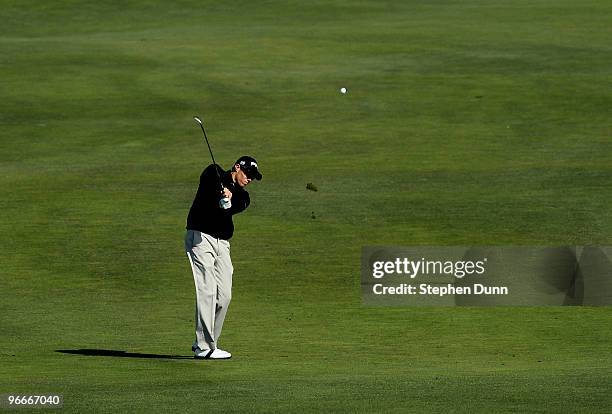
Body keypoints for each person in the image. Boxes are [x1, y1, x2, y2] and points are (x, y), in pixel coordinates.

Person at [185, 155, 262, 359]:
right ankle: (205, 347)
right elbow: (209, 178)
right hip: (200, 238)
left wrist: (229, 198)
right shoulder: (214, 173)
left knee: (224, 295)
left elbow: (235, 204)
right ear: (237, 167)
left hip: (222, 245)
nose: (250, 179)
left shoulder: (244, 197)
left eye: (253, 177)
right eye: (247, 174)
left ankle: (210, 344)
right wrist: (221, 190)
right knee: (207, 290)